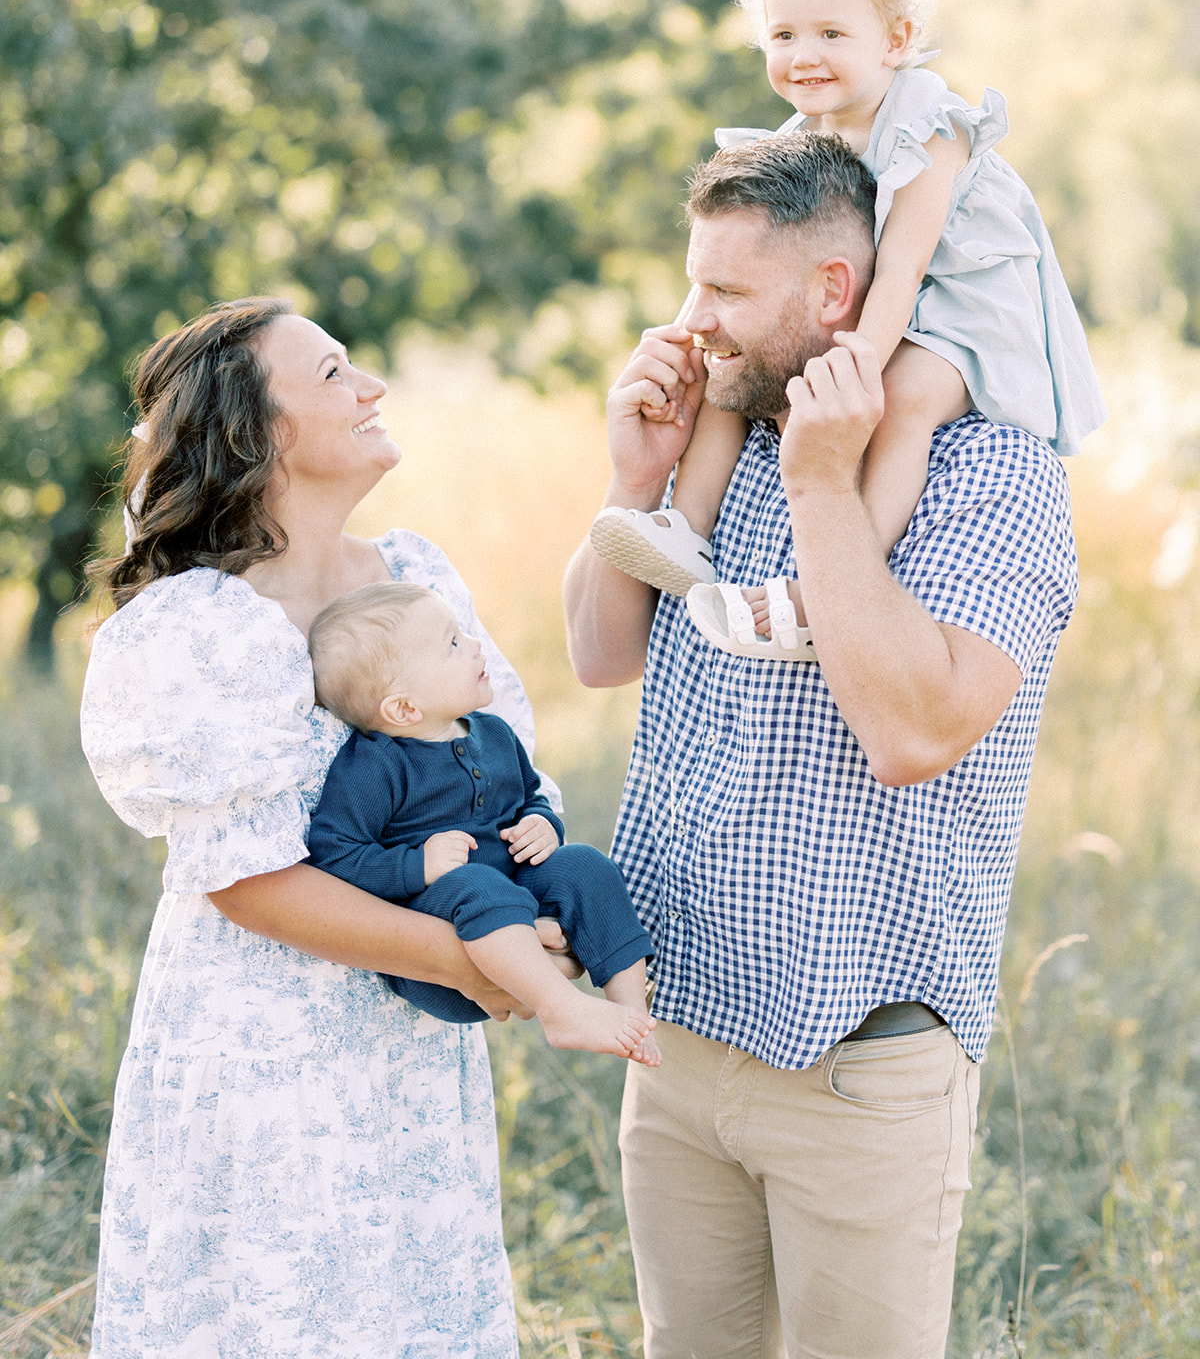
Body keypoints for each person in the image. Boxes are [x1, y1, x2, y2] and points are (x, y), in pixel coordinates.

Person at [563, 131, 1079, 1359]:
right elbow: (597, 653)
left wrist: (822, 489)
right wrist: (633, 478)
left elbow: (911, 733)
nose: (695, 321)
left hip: (859, 1075)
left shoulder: (993, 478)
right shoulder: (718, 435)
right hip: (678, 1042)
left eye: (728, 292)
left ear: (833, 293)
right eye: (694, 282)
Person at [80, 297, 567, 1358]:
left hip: (405, 1046)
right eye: (337, 372)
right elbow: (243, 879)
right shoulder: (195, 627)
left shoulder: (417, 578)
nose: (372, 388)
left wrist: (535, 915)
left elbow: (495, 777)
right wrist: (466, 955)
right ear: (261, 433)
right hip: (264, 1051)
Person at [589, 0, 1103, 651]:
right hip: (880, 299)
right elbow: (745, 257)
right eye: (784, 34)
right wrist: (697, 323)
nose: (804, 55)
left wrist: (861, 355)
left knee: (900, 398)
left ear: (895, 40)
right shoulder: (804, 135)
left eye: (832, 33)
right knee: (740, 362)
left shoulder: (931, 126)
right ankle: (685, 526)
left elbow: (903, 264)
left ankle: (829, 579)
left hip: (963, 304)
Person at [305, 580, 658, 1061]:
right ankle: (560, 1010)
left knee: (583, 865)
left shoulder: (492, 733)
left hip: (514, 900)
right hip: (438, 953)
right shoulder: (374, 767)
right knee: (476, 883)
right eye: (452, 644)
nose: (474, 646)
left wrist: (541, 823)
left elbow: (529, 796)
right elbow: (335, 857)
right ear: (405, 708)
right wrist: (416, 866)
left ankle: (633, 1014)